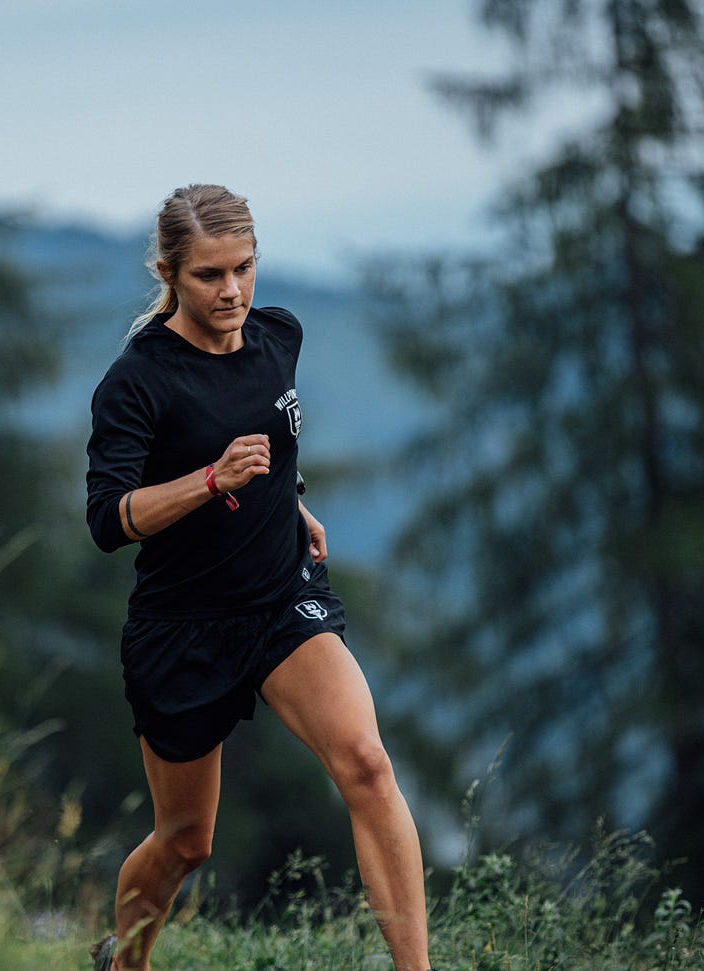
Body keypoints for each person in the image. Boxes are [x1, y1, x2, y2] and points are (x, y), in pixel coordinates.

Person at [84, 184, 435, 971]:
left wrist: (292, 500)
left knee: (367, 763)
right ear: (171, 272)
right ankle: (124, 962)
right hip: (183, 625)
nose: (233, 291)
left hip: (281, 597)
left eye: (244, 267)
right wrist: (210, 480)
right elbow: (108, 518)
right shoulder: (137, 380)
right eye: (210, 275)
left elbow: (276, 440)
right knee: (186, 840)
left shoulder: (279, 337)